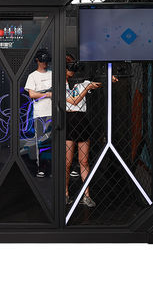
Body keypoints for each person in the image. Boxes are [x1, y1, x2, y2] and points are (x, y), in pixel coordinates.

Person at [64, 54, 102, 207]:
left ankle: (86, 195)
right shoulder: (57, 84)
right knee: (67, 162)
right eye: (68, 65)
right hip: (68, 120)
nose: (71, 68)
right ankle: (65, 194)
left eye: (72, 65)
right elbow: (74, 101)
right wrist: (86, 88)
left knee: (84, 161)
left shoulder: (83, 82)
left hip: (82, 121)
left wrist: (109, 78)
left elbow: (99, 82)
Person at [24, 48, 52, 177]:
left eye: (46, 61)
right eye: (42, 61)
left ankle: (51, 168)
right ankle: (42, 168)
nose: (44, 63)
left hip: (53, 112)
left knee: (52, 142)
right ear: (37, 60)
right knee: (41, 142)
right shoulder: (33, 76)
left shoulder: (52, 74)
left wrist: (41, 94)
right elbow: (32, 94)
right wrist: (47, 94)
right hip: (40, 114)